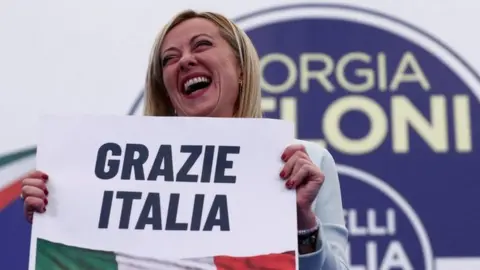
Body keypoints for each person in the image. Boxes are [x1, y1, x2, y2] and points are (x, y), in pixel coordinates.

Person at [19, 9, 349, 270]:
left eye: (202, 45)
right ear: (165, 87)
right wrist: (60, 217)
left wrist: (303, 223)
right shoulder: (122, 169)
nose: (185, 60)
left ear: (241, 68)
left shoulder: (304, 161)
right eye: (169, 58)